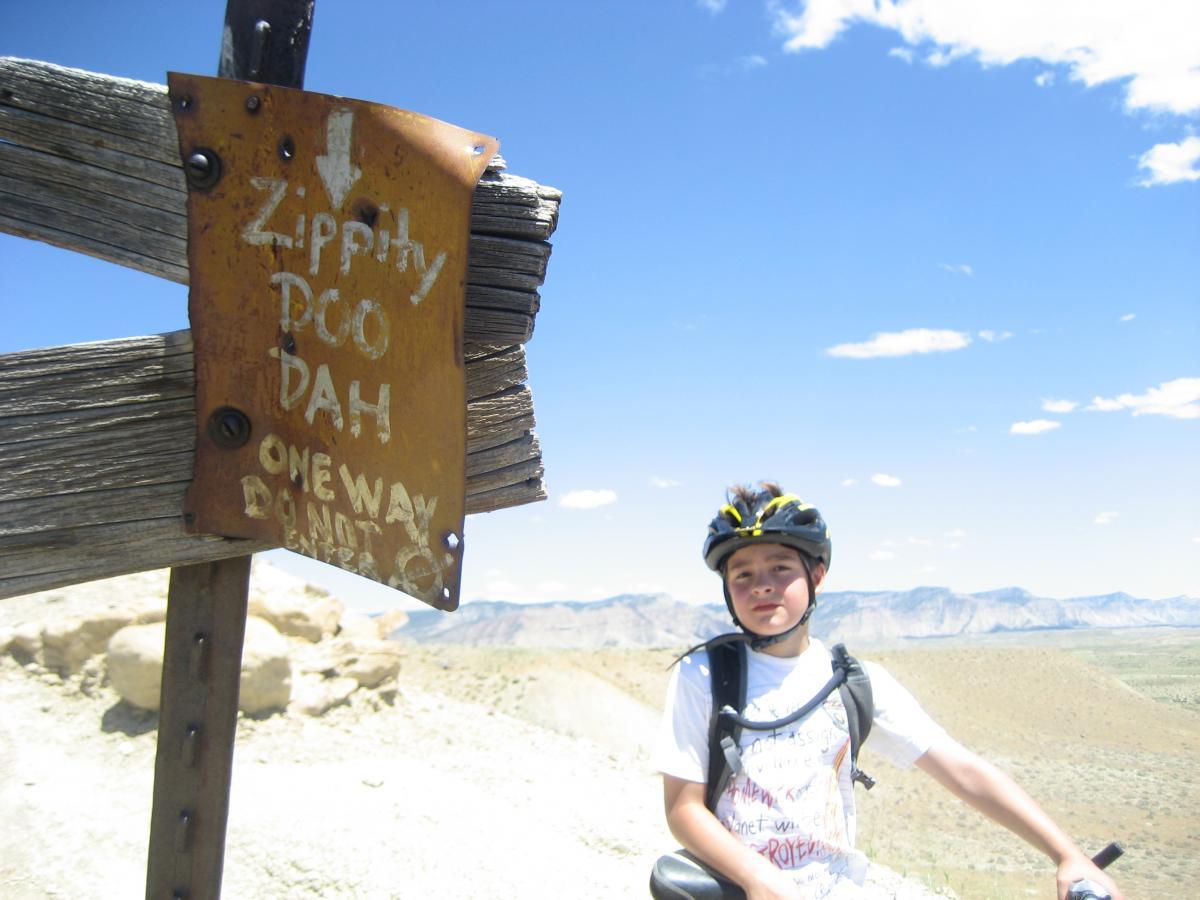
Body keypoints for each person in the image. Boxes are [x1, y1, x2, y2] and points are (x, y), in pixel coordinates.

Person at [651, 482, 1124, 900]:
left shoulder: (856, 681)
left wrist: (1066, 854)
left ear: (816, 577)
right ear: (727, 589)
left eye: (780, 568)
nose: (763, 587)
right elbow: (683, 808)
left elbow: (963, 772)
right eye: (743, 575)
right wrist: (758, 878)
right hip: (742, 889)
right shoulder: (704, 675)